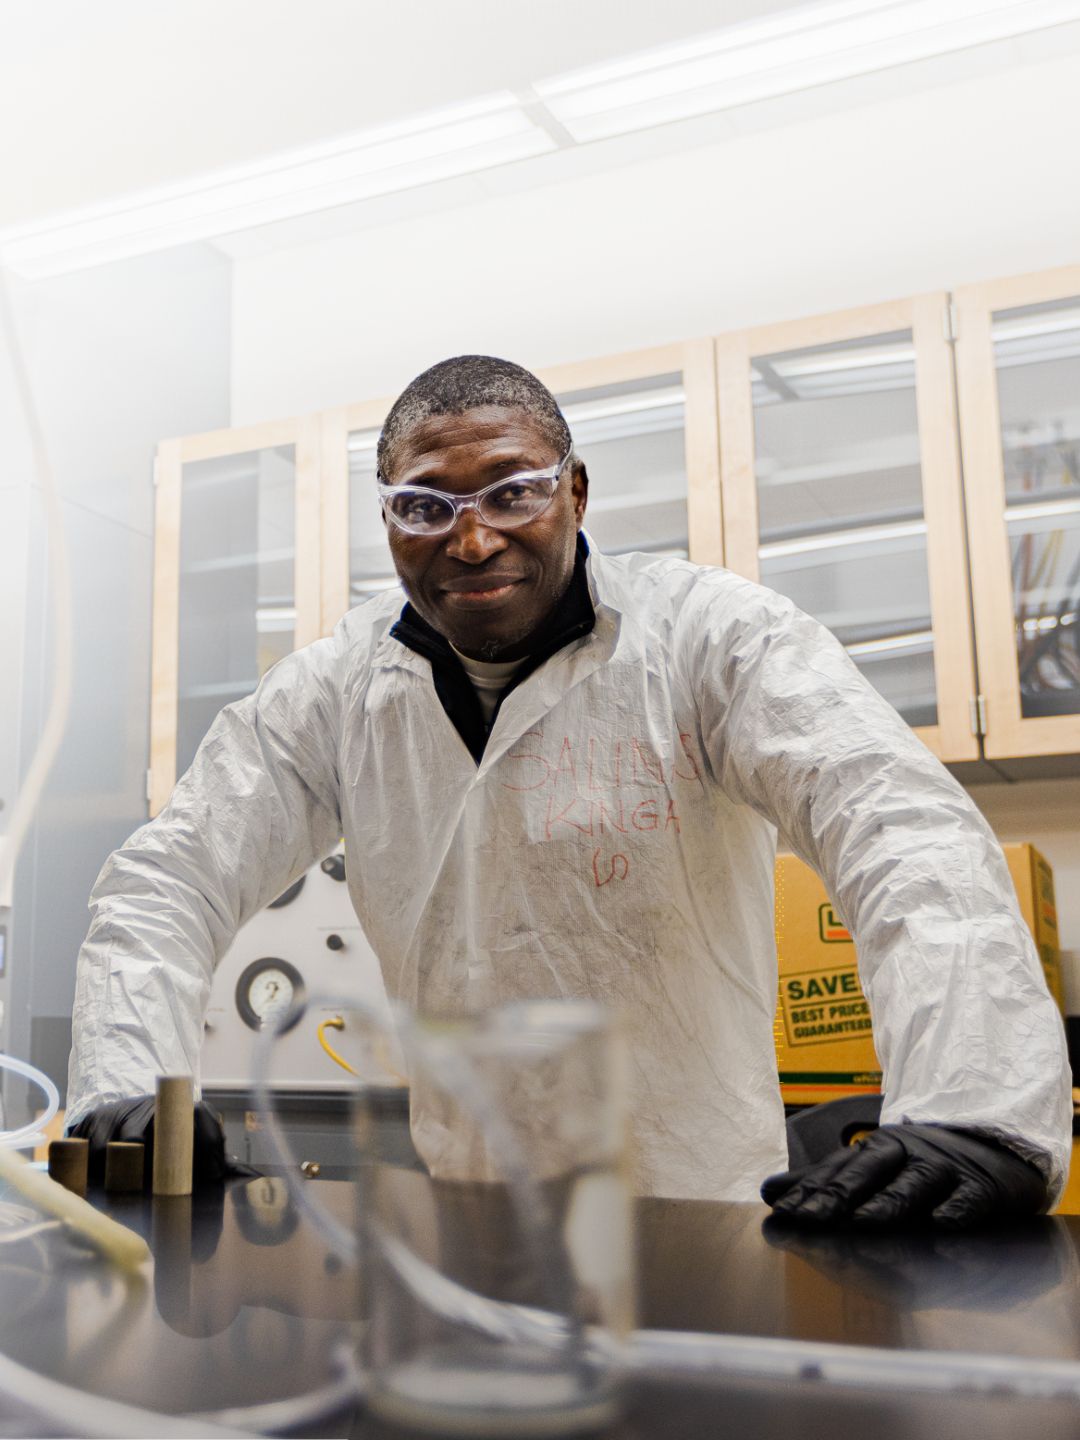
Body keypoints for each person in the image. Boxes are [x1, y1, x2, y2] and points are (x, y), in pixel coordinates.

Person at [67, 356, 1070, 1224]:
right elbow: (167, 880)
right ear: (388, 521)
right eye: (426, 506)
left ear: (576, 493)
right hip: (473, 1218)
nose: (471, 541)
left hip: (706, 1223)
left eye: (512, 493)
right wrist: (123, 1099)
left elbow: (900, 829)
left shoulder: (710, 639)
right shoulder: (335, 692)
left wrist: (975, 1110)